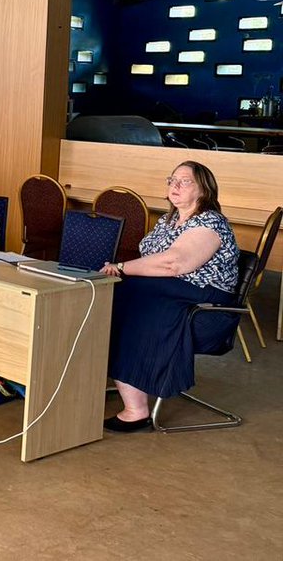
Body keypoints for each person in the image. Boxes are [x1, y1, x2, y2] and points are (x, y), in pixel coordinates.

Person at [99, 161, 241, 432]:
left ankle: (136, 409)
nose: (174, 186)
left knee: (127, 300)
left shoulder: (210, 221)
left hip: (205, 306)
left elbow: (173, 265)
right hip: (168, 293)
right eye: (172, 179)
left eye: (184, 181)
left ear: (204, 190)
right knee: (115, 294)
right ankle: (123, 383)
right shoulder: (168, 220)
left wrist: (121, 267)